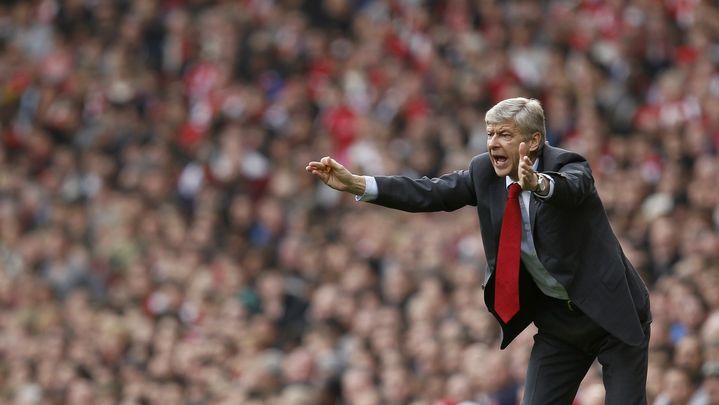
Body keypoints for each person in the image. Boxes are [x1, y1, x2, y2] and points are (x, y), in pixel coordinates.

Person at [306, 97, 652, 404]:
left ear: (533, 141)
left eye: (504, 134)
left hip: (612, 312)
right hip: (559, 324)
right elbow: (431, 193)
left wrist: (538, 184)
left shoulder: (567, 165)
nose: (492, 144)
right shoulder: (484, 173)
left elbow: (574, 188)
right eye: (490, 134)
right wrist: (358, 184)